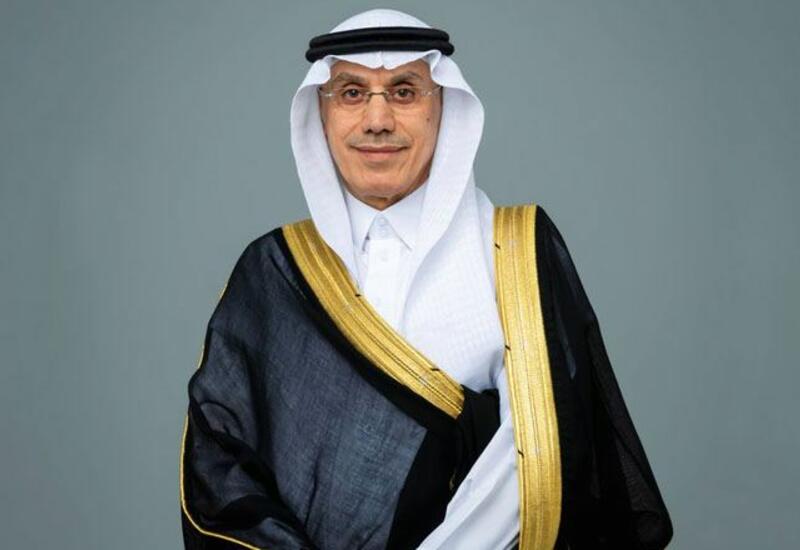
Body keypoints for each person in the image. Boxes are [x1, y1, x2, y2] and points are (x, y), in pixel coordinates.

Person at [179, 8, 673, 550]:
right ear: (321, 112)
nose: (377, 120)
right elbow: (220, 465)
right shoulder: (273, 272)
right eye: (351, 93)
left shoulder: (514, 252)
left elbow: (541, 455)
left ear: (443, 108)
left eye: (404, 92)